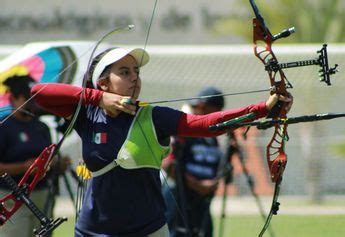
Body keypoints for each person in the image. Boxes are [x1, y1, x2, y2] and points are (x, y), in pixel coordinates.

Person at [31, 46, 293, 237]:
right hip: (93, 231)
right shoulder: (87, 114)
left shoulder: (154, 116)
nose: (135, 77)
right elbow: (39, 93)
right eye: (124, 72)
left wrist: (264, 108)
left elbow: (207, 125)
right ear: (104, 83)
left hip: (147, 229)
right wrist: (96, 98)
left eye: (136, 71)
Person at [162, 87, 228, 237]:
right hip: (179, 199)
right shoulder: (185, 131)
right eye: (198, 106)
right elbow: (168, 166)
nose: (199, 109)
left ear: (217, 110)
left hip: (201, 202)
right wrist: (199, 186)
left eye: (204, 106)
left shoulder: (213, 138)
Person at [0, 75, 52, 237]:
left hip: (40, 194)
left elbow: (49, 155)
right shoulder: (4, 127)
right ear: (14, 98)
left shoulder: (41, 127)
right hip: (12, 196)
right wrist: (24, 167)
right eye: (27, 97)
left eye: (34, 97)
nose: (32, 101)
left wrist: (56, 162)